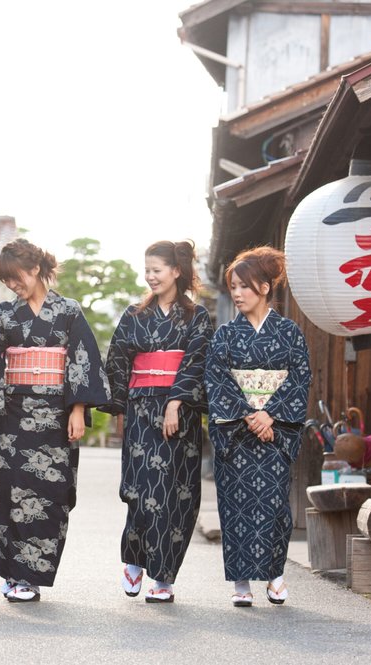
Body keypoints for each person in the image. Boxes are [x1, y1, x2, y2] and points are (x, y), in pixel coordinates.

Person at [0, 239, 110, 603]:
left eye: (16, 278)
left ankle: (31, 577)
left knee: (50, 494)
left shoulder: (69, 311)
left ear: (34, 270)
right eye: (7, 281)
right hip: (15, 416)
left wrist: (78, 410)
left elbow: (83, 359)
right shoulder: (5, 314)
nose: (13, 286)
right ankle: (14, 574)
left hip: (56, 417)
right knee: (6, 488)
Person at [102, 240, 213, 603]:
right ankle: (134, 559)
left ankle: (164, 578)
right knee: (140, 488)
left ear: (176, 271)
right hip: (141, 409)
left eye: (157, 270)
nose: (150, 276)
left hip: (180, 415)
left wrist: (175, 402)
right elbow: (117, 359)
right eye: (147, 270)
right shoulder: (135, 314)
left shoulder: (197, 316)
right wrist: (120, 409)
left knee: (176, 495)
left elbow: (197, 360)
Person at [205, 246, 312, 607]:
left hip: (275, 431)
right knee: (235, 506)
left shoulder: (289, 333)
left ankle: (275, 574)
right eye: (233, 286)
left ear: (265, 287)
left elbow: (300, 378)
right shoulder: (224, 335)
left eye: (244, 287)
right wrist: (250, 415)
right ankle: (241, 583)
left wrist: (272, 415)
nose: (237, 294)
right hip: (237, 433)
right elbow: (216, 380)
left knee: (274, 506)